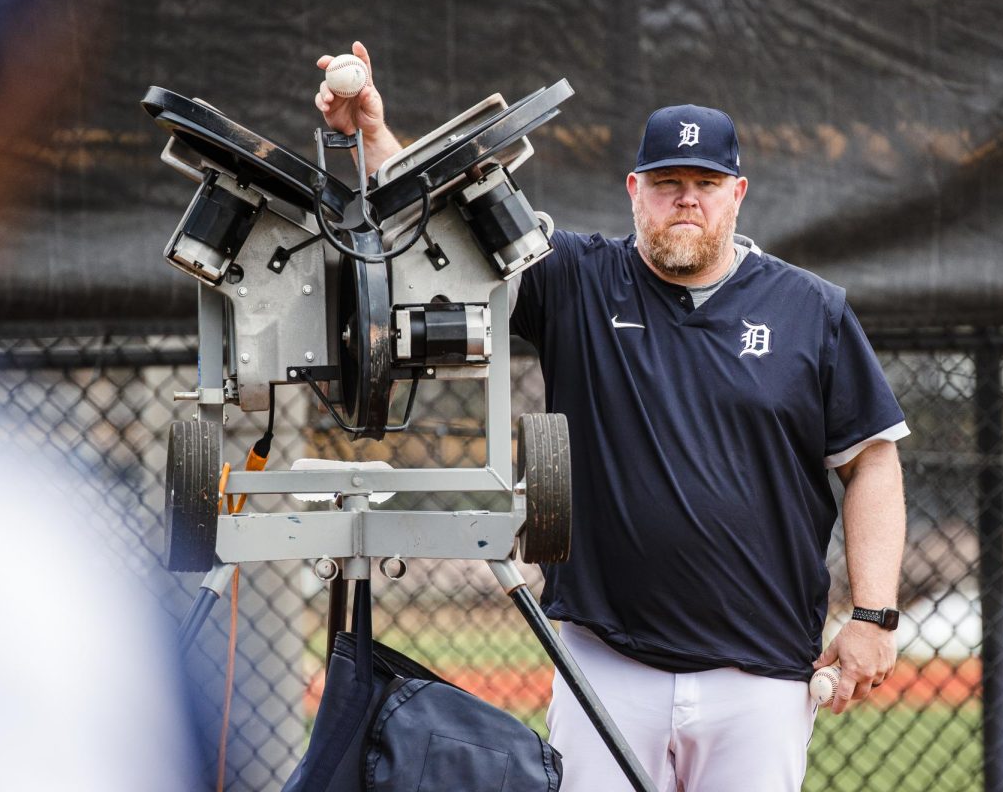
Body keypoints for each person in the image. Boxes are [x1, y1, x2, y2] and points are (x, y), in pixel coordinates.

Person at [315, 42, 908, 792]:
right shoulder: (577, 280)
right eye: (666, 183)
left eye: (704, 183)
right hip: (606, 664)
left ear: (737, 194)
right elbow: (448, 234)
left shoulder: (810, 309)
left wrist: (875, 615)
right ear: (634, 189)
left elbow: (872, 461)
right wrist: (372, 135)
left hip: (760, 674)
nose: (685, 198)